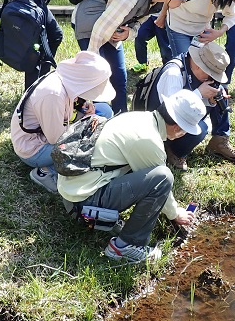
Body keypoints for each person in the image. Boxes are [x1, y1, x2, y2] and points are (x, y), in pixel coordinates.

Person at [58, 89, 204, 264]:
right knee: (163, 178)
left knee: (154, 173)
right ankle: (125, 246)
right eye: (186, 131)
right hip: (82, 201)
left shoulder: (138, 118)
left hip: (72, 188)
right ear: (178, 128)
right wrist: (175, 214)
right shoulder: (149, 140)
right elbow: (159, 181)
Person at [11, 51, 115, 193]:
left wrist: (84, 103)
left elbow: (72, 98)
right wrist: (86, 123)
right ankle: (47, 172)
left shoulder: (67, 79)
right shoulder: (52, 94)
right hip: (35, 148)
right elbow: (56, 138)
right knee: (94, 143)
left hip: (53, 129)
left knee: (105, 111)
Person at [73, 0, 165, 114]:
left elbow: (139, 20)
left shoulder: (158, 1)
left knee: (119, 76)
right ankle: (96, 120)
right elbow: (99, 31)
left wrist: (130, 33)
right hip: (89, 23)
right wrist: (91, 64)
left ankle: (120, 117)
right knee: (98, 78)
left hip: (111, 25)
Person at [144, 41, 235, 170]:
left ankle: (219, 140)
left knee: (220, 94)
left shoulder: (198, 72)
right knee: (201, 129)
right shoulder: (173, 73)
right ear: (198, 66)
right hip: (163, 125)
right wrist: (199, 93)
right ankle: (172, 150)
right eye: (211, 75)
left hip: (176, 116)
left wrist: (211, 101)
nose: (212, 79)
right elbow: (170, 112)